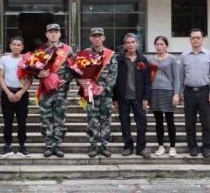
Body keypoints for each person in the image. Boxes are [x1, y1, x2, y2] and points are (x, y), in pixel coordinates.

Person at [180, 28, 210, 159]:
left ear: (203, 39)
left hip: (204, 91)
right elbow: (181, 76)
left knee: (205, 122)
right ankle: (193, 147)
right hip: (189, 92)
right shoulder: (184, 56)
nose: (195, 40)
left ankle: (206, 147)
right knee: (189, 122)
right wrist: (180, 92)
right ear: (190, 40)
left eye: (198, 37)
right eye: (193, 38)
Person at [79, 28, 118, 158]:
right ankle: (93, 146)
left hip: (105, 95)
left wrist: (104, 87)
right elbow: (78, 71)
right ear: (90, 38)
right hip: (90, 94)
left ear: (103, 38)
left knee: (106, 121)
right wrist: (81, 81)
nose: (97, 38)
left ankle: (105, 146)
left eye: (99, 36)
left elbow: (113, 74)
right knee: (92, 121)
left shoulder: (110, 54)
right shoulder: (84, 53)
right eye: (94, 36)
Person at [38, 24, 74, 158]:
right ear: (46, 34)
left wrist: (66, 79)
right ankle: (48, 146)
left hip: (61, 91)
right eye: (50, 32)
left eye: (56, 32)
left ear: (59, 34)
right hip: (46, 91)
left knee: (59, 120)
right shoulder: (41, 50)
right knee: (45, 119)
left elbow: (74, 68)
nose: (53, 34)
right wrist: (38, 74)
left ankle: (58, 146)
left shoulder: (68, 50)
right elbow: (33, 68)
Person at [113, 33, 151, 159]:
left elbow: (147, 81)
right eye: (128, 42)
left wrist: (146, 97)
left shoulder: (143, 60)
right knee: (124, 123)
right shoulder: (118, 60)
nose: (130, 45)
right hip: (123, 97)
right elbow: (114, 80)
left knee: (142, 123)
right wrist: (115, 98)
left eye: (133, 42)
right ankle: (128, 146)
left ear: (137, 44)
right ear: (124, 45)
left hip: (138, 97)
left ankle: (141, 148)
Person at [0, 36, 32, 157]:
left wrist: (20, 92)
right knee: (7, 121)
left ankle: (22, 146)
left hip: (21, 94)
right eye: (14, 44)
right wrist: (8, 93)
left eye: (19, 45)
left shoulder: (26, 60)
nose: (16, 47)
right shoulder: (4, 59)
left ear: (22, 47)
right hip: (7, 93)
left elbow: (29, 79)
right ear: (10, 46)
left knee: (22, 121)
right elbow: (0, 77)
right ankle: (8, 145)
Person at [148, 36, 180, 157]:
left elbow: (177, 78)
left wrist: (176, 94)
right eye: (157, 44)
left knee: (170, 121)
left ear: (166, 46)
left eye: (162, 44)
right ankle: (160, 146)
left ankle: (172, 147)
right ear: (154, 46)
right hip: (155, 92)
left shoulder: (172, 59)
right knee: (158, 122)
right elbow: (148, 78)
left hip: (168, 92)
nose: (159, 46)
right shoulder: (151, 59)